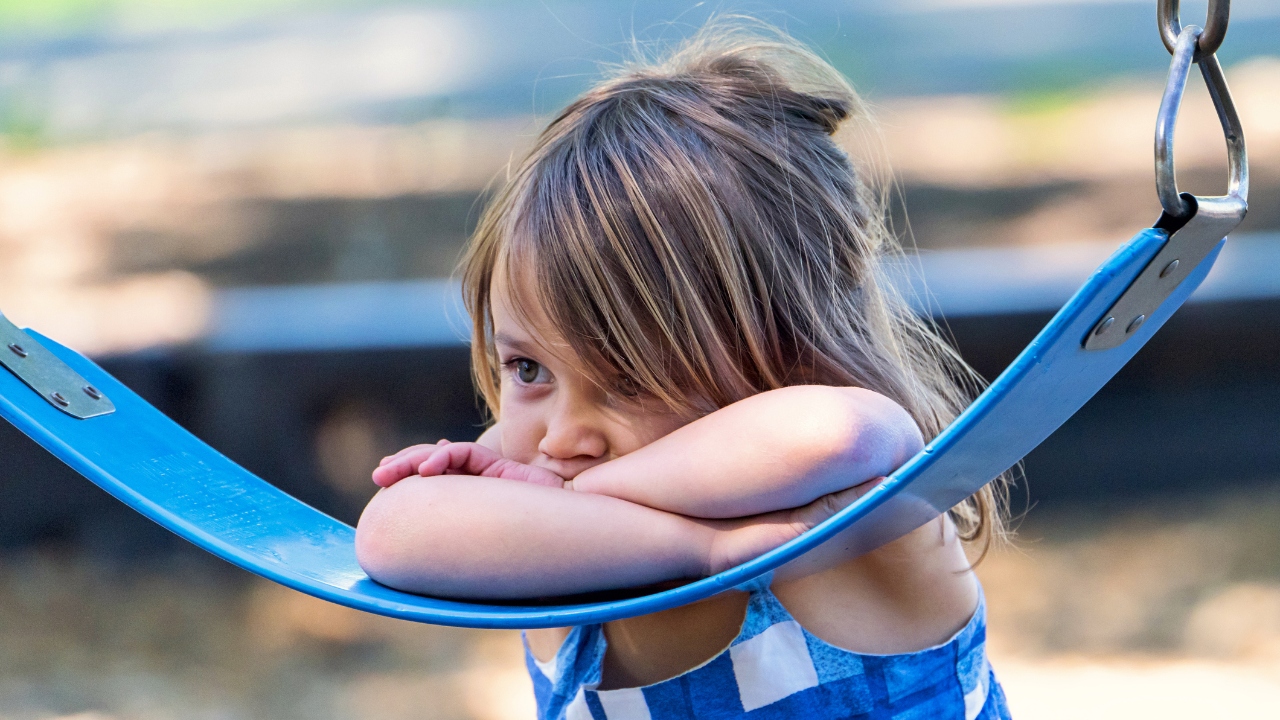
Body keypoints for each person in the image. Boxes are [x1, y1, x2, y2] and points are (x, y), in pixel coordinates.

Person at [355, 19, 1012, 719]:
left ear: (790, 353)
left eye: (630, 379)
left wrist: (610, 505)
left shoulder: (858, 522)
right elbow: (390, 531)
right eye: (527, 369)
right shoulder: (543, 484)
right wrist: (697, 546)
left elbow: (842, 432)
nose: (562, 436)